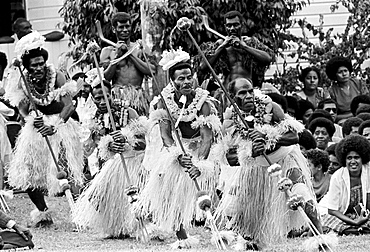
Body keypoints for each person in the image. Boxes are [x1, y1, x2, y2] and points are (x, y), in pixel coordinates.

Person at [215, 77, 322, 248]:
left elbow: (294, 136)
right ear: (232, 97)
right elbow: (229, 158)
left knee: (302, 195)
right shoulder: (229, 121)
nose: (249, 95)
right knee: (232, 207)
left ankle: (320, 240)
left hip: (285, 159)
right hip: (255, 167)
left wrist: (268, 139)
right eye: (242, 93)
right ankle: (251, 242)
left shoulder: (270, 106)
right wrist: (250, 152)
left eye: (250, 90)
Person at [137, 49, 221, 248]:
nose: (186, 82)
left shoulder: (203, 101)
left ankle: (218, 230)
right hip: (176, 147)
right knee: (171, 189)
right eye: (181, 78)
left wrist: (198, 164)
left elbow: (207, 137)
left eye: (189, 77)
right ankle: (182, 237)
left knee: (208, 189)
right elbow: (165, 135)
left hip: (200, 148)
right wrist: (177, 155)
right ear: (172, 82)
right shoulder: (162, 101)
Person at [5, 32, 84, 226]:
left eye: (41, 63)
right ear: (27, 67)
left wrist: (54, 126)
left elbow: (69, 105)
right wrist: (32, 119)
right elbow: (22, 108)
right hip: (36, 128)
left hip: (61, 125)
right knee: (29, 173)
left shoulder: (56, 76)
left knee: (68, 170)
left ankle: (79, 214)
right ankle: (43, 212)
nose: (39, 67)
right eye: (34, 65)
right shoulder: (21, 80)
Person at [73, 78, 148, 238]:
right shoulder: (94, 120)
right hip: (110, 166)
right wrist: (107, 146)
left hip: (133, 161)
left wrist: (127, 142)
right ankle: (116, 227)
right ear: (92, 98)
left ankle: (141, 227)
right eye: (97, 98)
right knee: (96, 197)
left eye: (105, 97)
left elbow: (143, 143)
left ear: (112, 94)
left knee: (133, 198)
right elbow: (93, 149)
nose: (102, 101)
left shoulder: (129, 113)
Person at [101, 12, 156, 116]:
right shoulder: (107, 51)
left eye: (127, 26)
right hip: (118, 97)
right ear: (114, 29)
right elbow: (105, 78)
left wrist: (129, 54)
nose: (125, 30)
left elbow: (152, 71)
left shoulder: (140, 48)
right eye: (121, 27)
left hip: (138, 98)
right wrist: (117, 56)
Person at [320, 135, 370, 235]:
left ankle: (354, 230)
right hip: (340, 215)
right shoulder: (337, 177)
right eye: (349, 158)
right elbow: (332, 210)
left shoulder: (368, 171)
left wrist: (364, 217)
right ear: (344, 159)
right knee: (326, 220)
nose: (353, 161)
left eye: (356, 157)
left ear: (363, 158)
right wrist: (354, 222)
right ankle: (354, 229)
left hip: (363, 214)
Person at [325, 56, 369, 123]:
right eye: (340, 72)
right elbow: (333, 115)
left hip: (363, 117)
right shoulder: (332, 91)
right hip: (343, 121)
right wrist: (353, 115)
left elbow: (367, 103)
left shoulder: (358, 83)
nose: (344, 74)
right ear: (334, 75)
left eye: (345, 71)